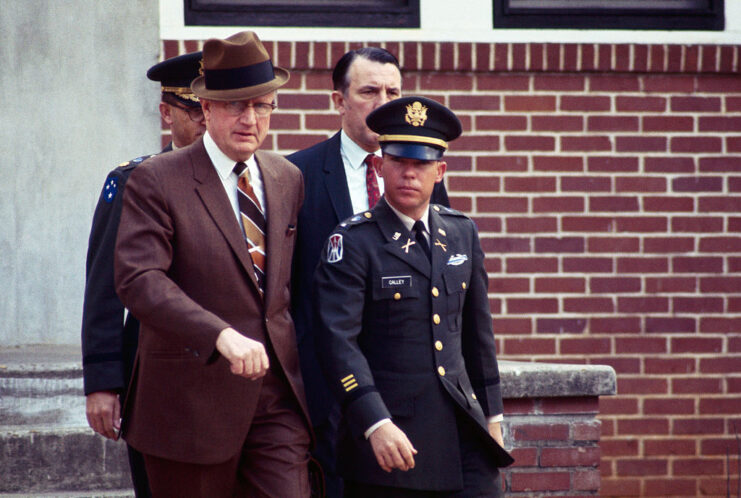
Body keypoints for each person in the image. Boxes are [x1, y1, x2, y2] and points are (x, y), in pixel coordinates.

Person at [114, 31, 311, 497]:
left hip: (276, 401)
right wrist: (218, 334)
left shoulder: (287, 178)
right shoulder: (156, 180)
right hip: (189, 405)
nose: (250, 119)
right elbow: (139, 279)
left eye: (262, 105)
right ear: (205, 109)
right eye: (234, 106)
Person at [314, 96, 514, 497]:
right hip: (392, 438)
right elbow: (338, 343)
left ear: (439, 171)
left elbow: (478, 336)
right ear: (381, 165)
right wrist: (375, 422)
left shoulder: (461, 232)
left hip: (464, 434)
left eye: (420, 164)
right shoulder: (353, 241)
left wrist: (493, 416)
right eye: (398, 162)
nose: (409, 174)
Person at [287, 47, 450, 498]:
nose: (384, 102)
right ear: (338, 100)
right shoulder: (295, 175)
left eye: (393, 91)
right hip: (323, 393)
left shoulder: (425, 179)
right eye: (369, 91)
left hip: (406, 398)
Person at [81, 50, 204, 498]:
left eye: (215, 106)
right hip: (155, 373)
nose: (206, 120)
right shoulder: (135, 180)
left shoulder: (254, 184)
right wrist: (102, 381)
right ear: (166, 111)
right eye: (194, 109)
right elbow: (105, 287)